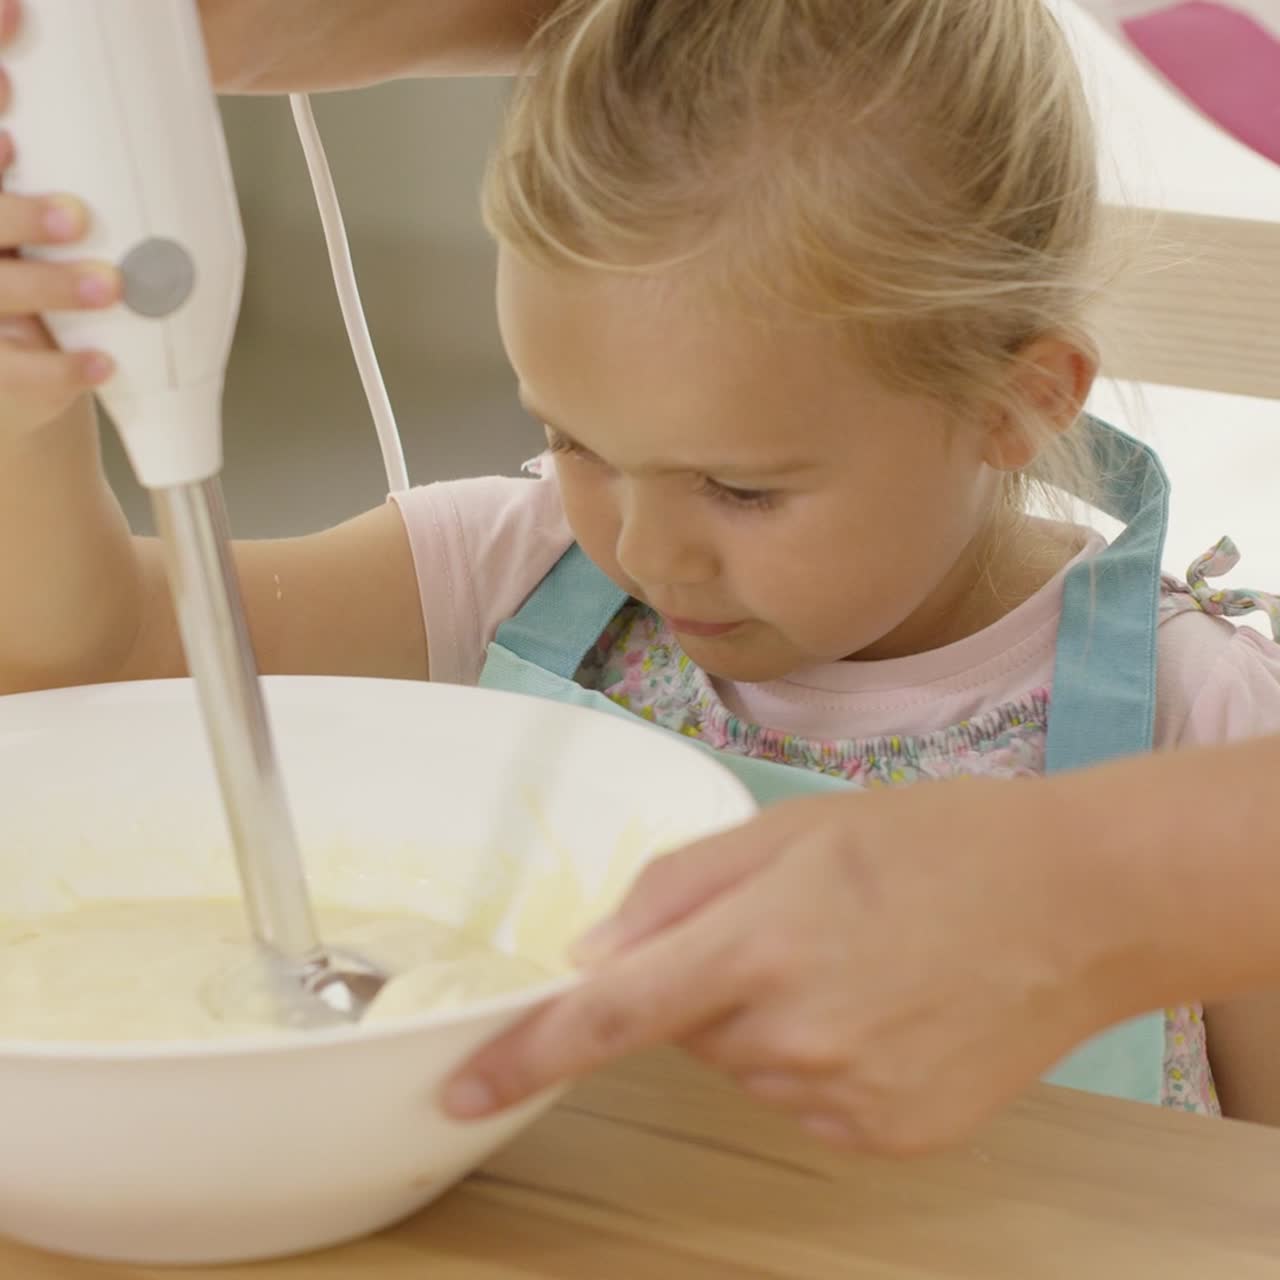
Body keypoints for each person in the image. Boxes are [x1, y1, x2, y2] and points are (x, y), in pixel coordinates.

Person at [2, 0, 1280, 1155]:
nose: (648, 550)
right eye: (576, 442)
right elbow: (94, 656)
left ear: (1015, 400)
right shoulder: (506, 573)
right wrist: (28, 415)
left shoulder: (1205, 726)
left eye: (741, 487)